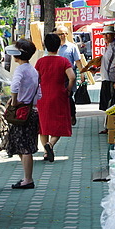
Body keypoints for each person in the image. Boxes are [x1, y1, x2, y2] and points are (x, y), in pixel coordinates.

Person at [5, 39, 41, 189]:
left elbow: (14, 85)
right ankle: (27, 177)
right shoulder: (33, 70)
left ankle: (28, 179)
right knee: (25, 146)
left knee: (24, 147)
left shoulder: (20, 70)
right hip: (31, 111)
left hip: (21, 113)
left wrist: (14, 101)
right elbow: (39, 94)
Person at [36, 32, 75, 162]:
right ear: (59, 45)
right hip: (59, 95)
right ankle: (50, 145)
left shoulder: (40, 62)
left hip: (43, 96)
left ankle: (46, 152)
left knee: (43, 125)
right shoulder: (63, 61)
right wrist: (68, 89)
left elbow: (36, 79)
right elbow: (72, 77)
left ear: (46, 46)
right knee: (59, 123)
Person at [55, 25, 81, 126]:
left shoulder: (72, 47)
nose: (61, 36)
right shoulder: (54, 47)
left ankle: (72, 115)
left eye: (62, 34)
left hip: (70, 77)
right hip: (57, 77)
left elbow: (78, 61)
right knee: (58, 98)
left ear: (67, 34)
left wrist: (82, 74)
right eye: (58, 34)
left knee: (68, 97)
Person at [98, 24, 115, 112]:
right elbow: (107, 63)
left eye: (108, 34)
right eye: (104, 34)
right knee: (106, 104)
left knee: (112, 103)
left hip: (111, 79)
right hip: (105, 78)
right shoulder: (108, 47)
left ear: (113, 35)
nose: (105, 36)